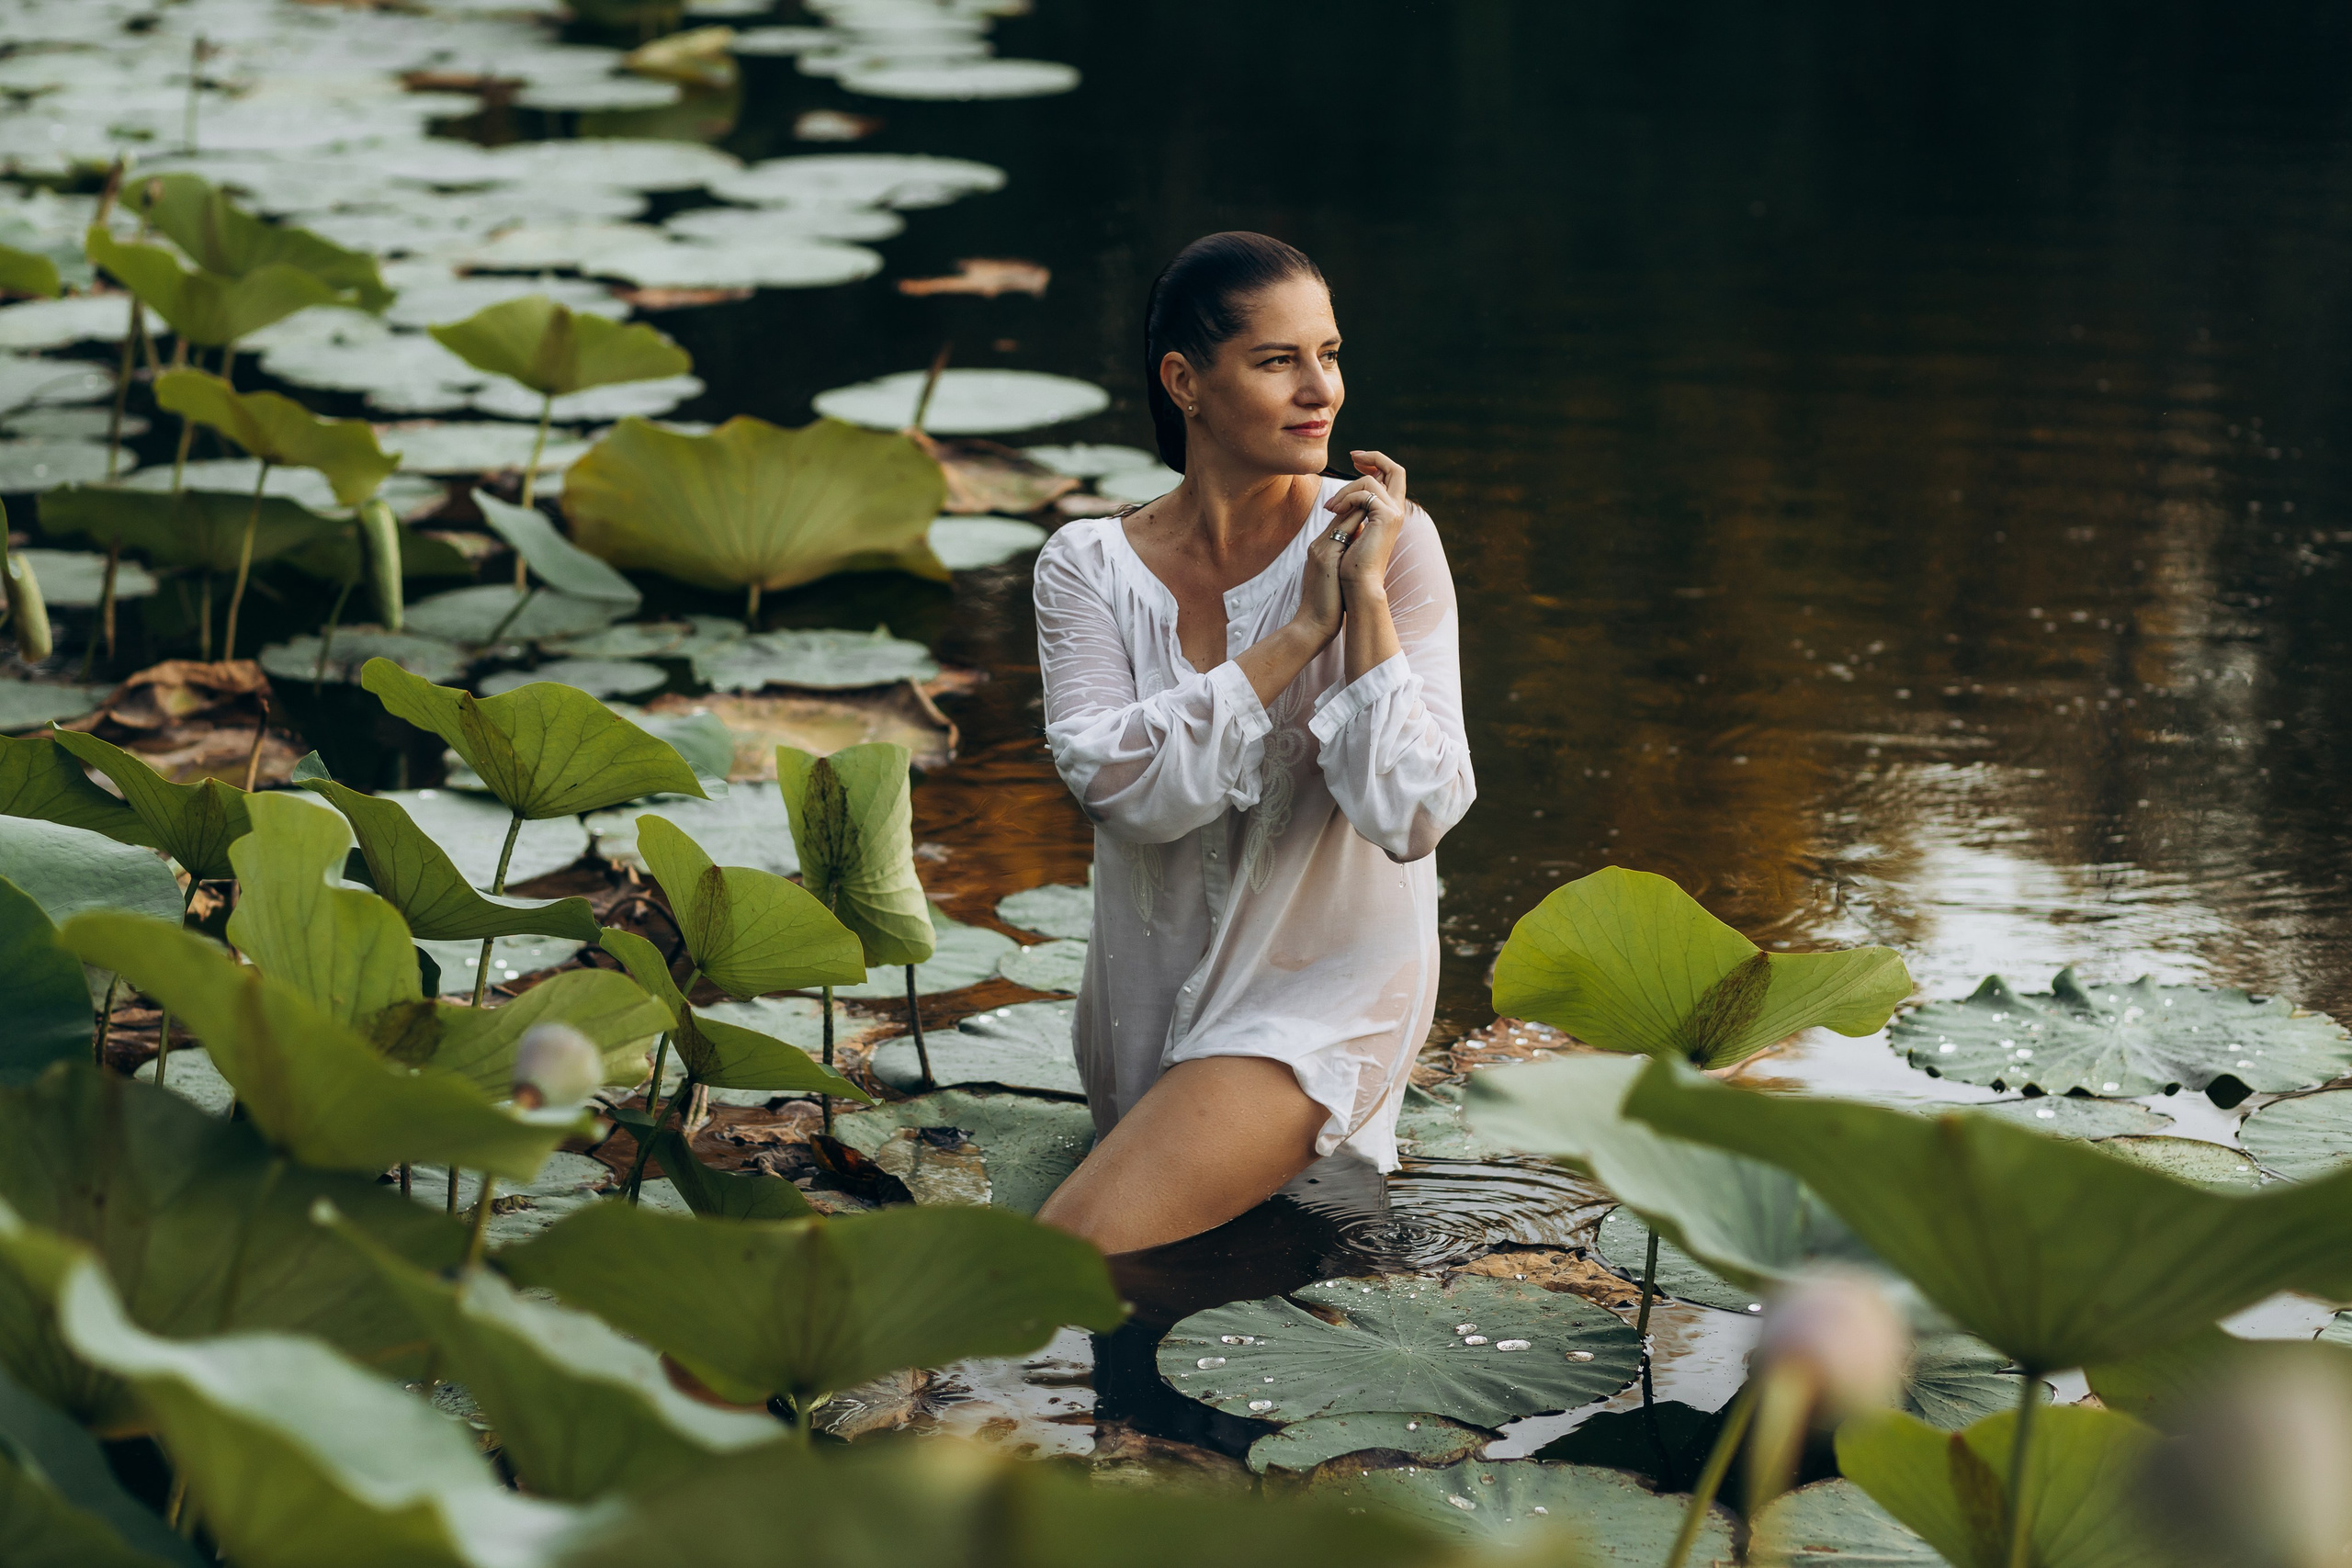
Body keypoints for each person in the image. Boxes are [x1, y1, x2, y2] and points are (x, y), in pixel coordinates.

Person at [1031, 231, 1476, 1256]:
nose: (1320, 389)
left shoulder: (1395, 545)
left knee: (1063, 1259)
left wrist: (1359, 601)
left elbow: (1412, 811)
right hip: (1148, 1000)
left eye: (1328, 354)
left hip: (1326, 988)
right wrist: (1295, 638)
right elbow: (1124, 789)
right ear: (1185, 381)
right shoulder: (1086, 568)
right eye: (1277, 362)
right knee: (1158, 1313)